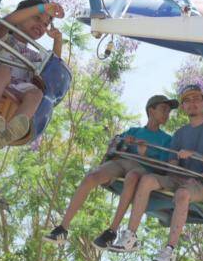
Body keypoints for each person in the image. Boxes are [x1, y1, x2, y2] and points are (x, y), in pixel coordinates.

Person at [111, 84, 203, 261]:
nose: (192, 104)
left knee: (183, 194)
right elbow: (172, 164)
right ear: (183, 107)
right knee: (148, 180)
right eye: (187, 100)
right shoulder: (179, 134)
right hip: (179, 177)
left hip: (202, 182)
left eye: (196, 99)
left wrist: (196, 155)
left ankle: (169, 251)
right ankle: (130, 235)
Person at [43, 95, 179, 248]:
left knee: (132, 177)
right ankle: (62, 228)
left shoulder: (167, 140)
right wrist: (126, 144)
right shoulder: (134, 131)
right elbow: (115, 147)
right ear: (151, 110)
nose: (167, 114)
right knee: (91, 177)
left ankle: (111, 231)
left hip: (143, 170)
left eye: (168, 111)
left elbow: (162, 167)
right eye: (164, 109)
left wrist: (143, 153)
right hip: (123, 163)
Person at [0, 0, 64, 146]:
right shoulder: (2, 36)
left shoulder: (34, 56)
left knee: (37, 94)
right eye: (36, 18)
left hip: (15, 88)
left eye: (45, 24)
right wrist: (43, 7)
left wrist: (57, 41)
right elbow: (9, 20)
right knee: (4, 70)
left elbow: (53, 68)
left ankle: (10, 132)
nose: (41, 25)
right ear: (22, 16)